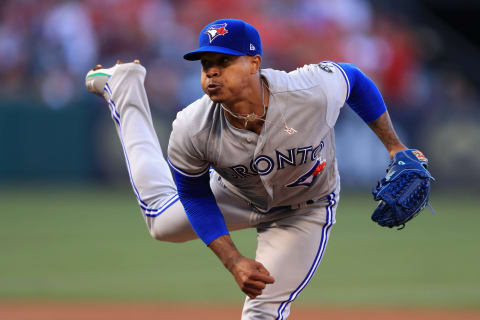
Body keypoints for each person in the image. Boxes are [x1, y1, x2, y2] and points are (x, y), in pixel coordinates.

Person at [85, 18, 408, 320]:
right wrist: (233, 259)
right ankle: (124, 86)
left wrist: (395, 148)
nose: (212, 73)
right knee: (159, 222)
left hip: (304, 212)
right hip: (233, 195)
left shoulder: (307, 90)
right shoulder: (192, 126)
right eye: (206, 65)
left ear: (254, 63)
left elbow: (353, 78)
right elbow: (194, 195)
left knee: (262, 313)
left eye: (224, 62)